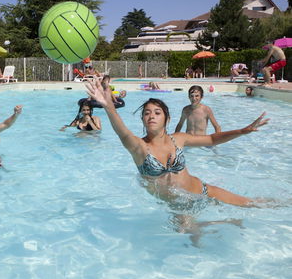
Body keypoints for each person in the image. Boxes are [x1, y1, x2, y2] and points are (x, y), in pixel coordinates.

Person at [85, 78, 269, 207]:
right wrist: (108, 106)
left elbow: (212, 139)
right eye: (147, 113)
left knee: (252, 204)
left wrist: (242, 131)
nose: (151, 116)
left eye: (157, 112)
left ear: (167, 118)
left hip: (203, 191)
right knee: (194, 242)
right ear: (142, 119)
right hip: (180, 207)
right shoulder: (139, 147)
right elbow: (122, 133)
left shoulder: (178, 139)